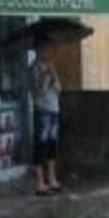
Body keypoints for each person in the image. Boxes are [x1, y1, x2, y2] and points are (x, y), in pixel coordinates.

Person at [29, 38, 63, 196]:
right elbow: (38, 91)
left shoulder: (51, 66)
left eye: (50, 48)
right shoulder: (34, 68)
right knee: (40, 146)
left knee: (52, 145)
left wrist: (53, 74)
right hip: (42, 110)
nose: (49, 51)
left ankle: (52, 178)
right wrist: (45, 75)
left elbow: (58, 89)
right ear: (38, 50)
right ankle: (39, 182)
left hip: (54, 108)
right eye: (46, 48)